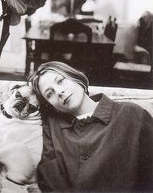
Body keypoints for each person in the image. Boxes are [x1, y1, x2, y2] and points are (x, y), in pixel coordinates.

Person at [28, 61, 153, 193]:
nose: (59, 92)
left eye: (60, 81)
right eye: (49, 94)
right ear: (50, 105)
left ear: (76, 78)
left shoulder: (132, 114)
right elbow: (51, 185)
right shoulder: (51, 129)